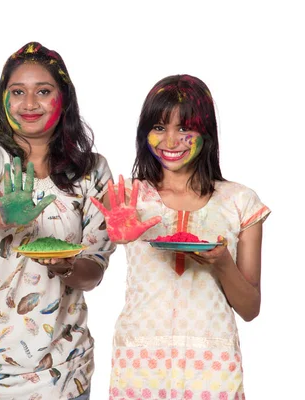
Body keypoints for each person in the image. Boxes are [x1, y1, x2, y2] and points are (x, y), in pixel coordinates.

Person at [0, 42, 115, 400]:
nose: (29, 104)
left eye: (43, 92)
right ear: (3, 99)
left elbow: (93, 271)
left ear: (63, 100)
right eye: (17, 92)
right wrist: (6, 214)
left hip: (61, 369)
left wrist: (65, 266)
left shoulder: (92, 172)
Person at [91, 75, 270, 399]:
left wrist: (222, 262)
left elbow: (250, 309)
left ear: (206, 133)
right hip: (140, 362)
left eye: (184, 128)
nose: (170, 141)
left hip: (212, 366)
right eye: (159, 127)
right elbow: (94, 249)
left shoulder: (240, 202)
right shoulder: (130, 196)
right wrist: (115, 235)